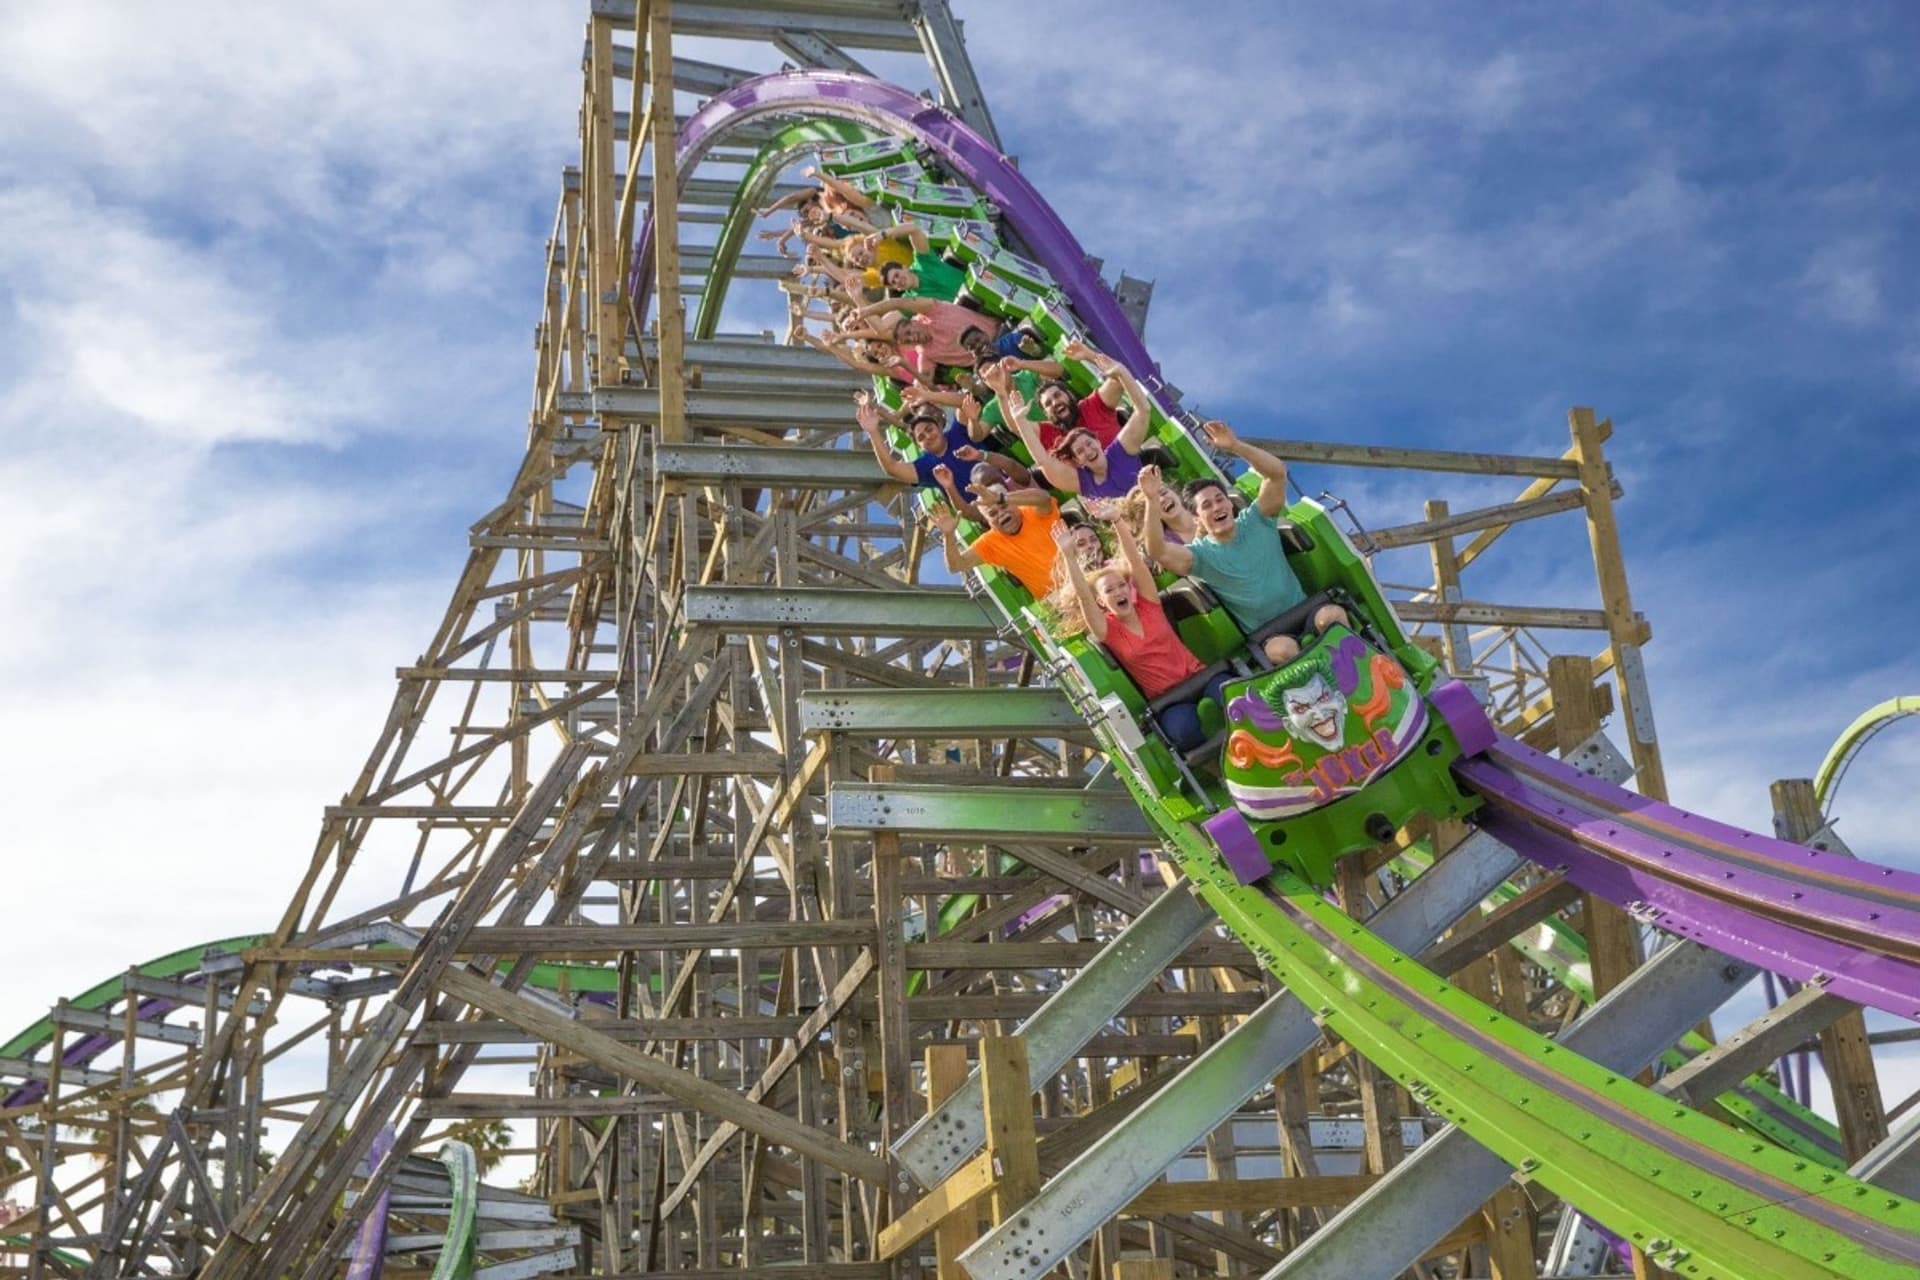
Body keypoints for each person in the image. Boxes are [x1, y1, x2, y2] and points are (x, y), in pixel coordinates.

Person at [1140, 422, 1349, 665]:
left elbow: (1277, 473)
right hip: (1271, 635)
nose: (1217, 507)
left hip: (1305, 610)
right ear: (1198, 519)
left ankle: (1356, 674)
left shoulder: (1256, 520)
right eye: (1207, 506)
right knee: (1284, 649)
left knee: (1332, 615)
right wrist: (1151, 500)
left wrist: (1236, 446)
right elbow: (1157, 550)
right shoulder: (1200, 555)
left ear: (1230, 504)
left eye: (1220, 500)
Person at [1053, 519, 1233, 751]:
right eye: (1109, 590)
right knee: (1184, 731)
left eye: (1121, 586)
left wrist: (1117, 521)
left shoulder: (1149, 604)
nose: (1118, 591)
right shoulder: (1107, 630)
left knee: (1232, 696)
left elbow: (1136, 563)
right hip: (1169, 699)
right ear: (1101, 602)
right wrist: (1068, 557)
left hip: (1199, 676)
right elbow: (1084, 598)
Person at [989, 359, 1156, 501]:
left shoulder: (1116, 445)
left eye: (1057, 396)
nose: (1054, 403)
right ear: (1076, 460)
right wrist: (1001, 393)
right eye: (1048, 404)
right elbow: (1020, 430)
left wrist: (1090, 356)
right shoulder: (1082, 478)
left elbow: (1119, 379)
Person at [928, 489, 1061, 599]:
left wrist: (1000, 497)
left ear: (1014, 503)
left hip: (1080, 572)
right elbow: (956, 566)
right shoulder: (990, 543)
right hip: (1056, 598)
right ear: (987, 521)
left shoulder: (1034, 512)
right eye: (993, 513)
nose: (1002, 514)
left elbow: (1044, 498)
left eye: (1003, 506)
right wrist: (948, 535)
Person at [855, 392, 984, 490]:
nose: (928, 436)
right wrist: (873, 431)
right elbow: (891, 468)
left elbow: (966, 401)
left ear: (939, 427)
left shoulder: (957, 432)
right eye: (921, 438)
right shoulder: (926, 466)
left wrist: (927, 395)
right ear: (919, 446)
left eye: (929, 429)